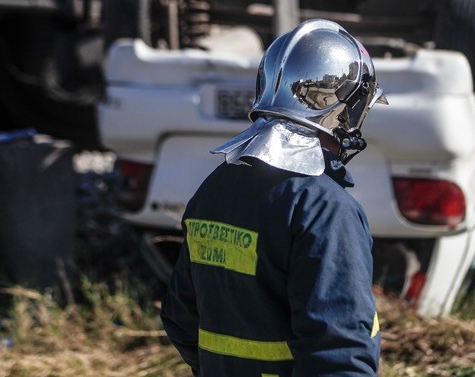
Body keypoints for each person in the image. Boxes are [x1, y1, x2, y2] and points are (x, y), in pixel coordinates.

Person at [160, 19, 387, 376]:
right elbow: (340, 356)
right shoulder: (326, 210)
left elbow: (180, 318)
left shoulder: (214, 189)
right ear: (347, 109)